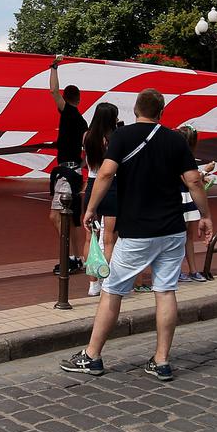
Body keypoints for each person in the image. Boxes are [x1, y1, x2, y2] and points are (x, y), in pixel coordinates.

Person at [62, 88, 212, 382]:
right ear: (162, 111)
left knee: (113, 290)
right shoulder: (174, 139)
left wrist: (91, 208)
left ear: (135, 110)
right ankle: (161, 360)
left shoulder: (122, 136)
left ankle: (92, 356)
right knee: (166, 291)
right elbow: (194, 179)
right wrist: (205, 216)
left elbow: (104, 174)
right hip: (172, 230)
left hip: (137, 229)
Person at [47, 55, 88, 275]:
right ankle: (77, 257)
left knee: (57, 216)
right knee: (73, 219)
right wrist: (82, 163)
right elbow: (90, 148)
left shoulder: (68, 113)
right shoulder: (82, 122)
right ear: (79, 99)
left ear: (66, 98)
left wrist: (53, 67)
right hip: (74, 171)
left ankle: (68, 256)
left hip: (66, 172)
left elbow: (53, 91)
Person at [81, 102, 121, 297]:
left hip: (91, 185)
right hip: (111, 186)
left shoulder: (87, 137)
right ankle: (106, 279)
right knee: (109, 238)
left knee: (90, 237)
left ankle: (92, 283)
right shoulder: (113, 139)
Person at [175, 126, 211, 284]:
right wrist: (204, 173)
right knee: (180, 237)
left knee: (188, 236)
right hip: (181, 198)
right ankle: (179, 271)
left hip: (189, 199)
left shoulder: (189, 157)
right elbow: (187, 179)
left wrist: (202, 176)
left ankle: (193, 270)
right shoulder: (179, 157)